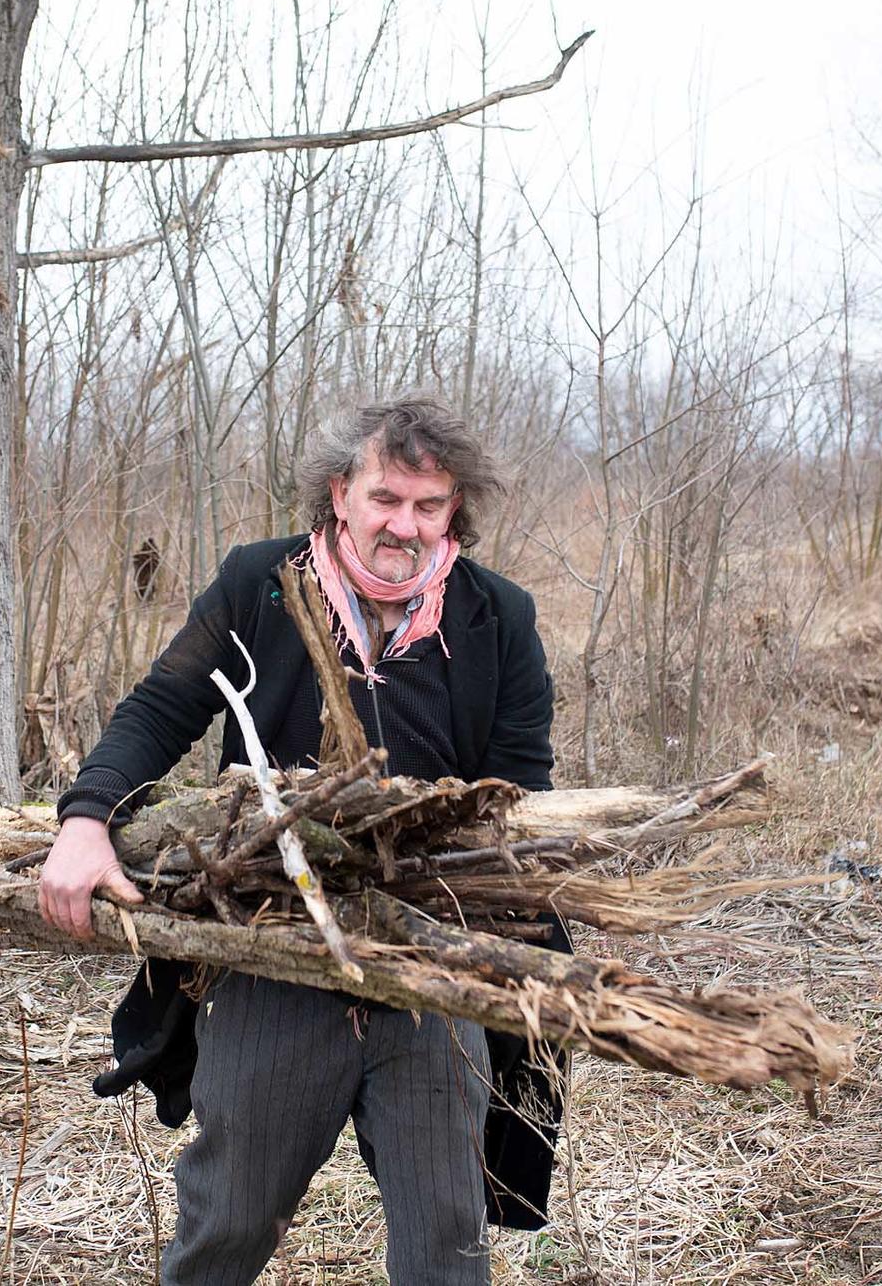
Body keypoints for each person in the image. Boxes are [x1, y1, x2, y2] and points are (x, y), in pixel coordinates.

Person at [38, 398, 565, 1286]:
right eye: (386, 498)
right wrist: (86, 819)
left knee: (449, 1240)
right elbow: (163, 710)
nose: (404, 525)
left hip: (430, 964)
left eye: (428, 507)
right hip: (270, 951)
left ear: (455, 512)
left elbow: (523, 789)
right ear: (339, 492)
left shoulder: (498, 617)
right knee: (229, 1222)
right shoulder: (259, 584)